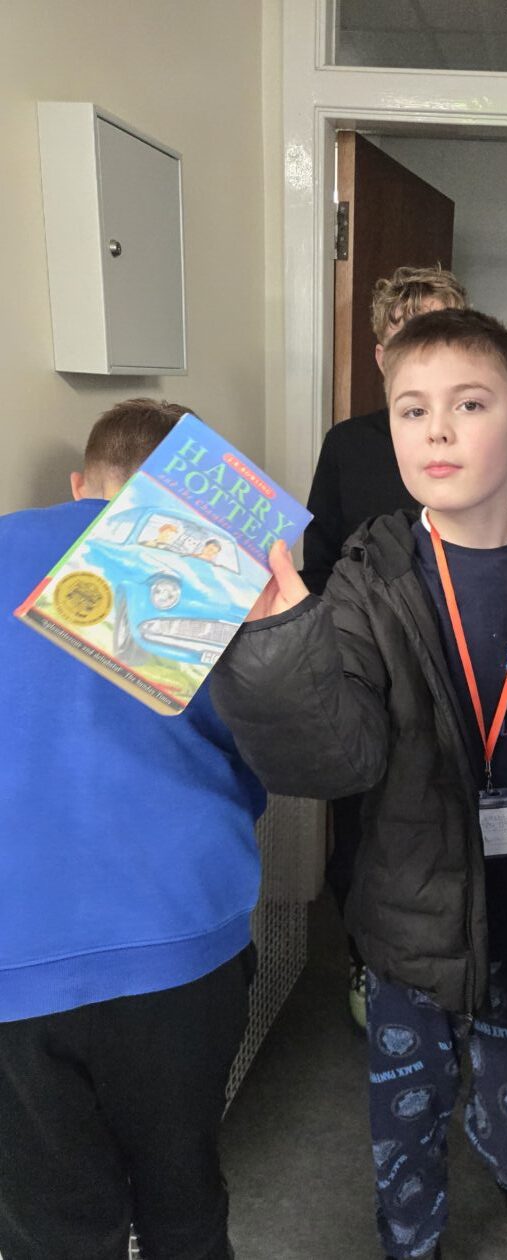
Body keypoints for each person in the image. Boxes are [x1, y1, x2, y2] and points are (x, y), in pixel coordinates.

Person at [212, 309, 507, 1260]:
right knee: (405, 1130)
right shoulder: (369, 580)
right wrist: (278, 648)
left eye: (469, 405)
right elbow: (334, 761)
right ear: (389, 430)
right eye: (411, 409)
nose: (437, 430)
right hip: (409, 924)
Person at [0, 398, 265, 1260]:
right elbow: (273, 753)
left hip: (14, 956)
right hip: (174, 940)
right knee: (182, 1202)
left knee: (51, 1229)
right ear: (194, 497)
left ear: (81, 484)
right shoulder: (206, 572)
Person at [301, 264, 507, 1030]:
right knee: (368, 821)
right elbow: (321, 560)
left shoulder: (490, 437)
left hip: (472, 663)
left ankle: (481, 958)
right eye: (411, 334)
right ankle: (369, 959)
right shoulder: (348, 445)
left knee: (465, 811)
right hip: (377, 662)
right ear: (381, 354)